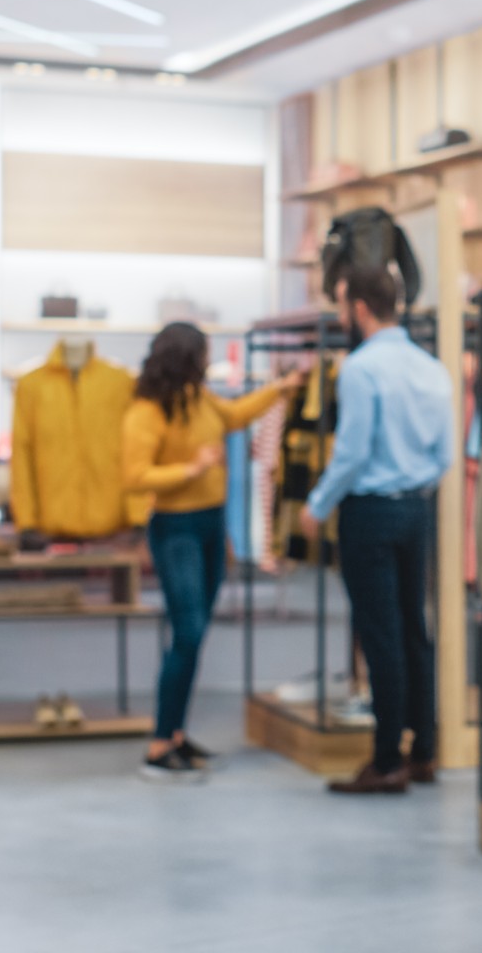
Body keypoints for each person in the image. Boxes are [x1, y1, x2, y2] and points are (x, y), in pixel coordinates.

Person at [300, 268, 455, 794]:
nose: (342, 317)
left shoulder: (360, 369)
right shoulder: (433, 369)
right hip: (417, 511)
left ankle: (387, 759)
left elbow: (352, 452)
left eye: (344, 306)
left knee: (380, 634)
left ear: (361, 308)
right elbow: (445, 457)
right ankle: (424, 753)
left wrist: (318, 505)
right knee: (414, 628)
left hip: (368, 511)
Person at [124, 323, 302, 778]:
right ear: (186, 357)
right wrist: (192, 468)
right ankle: (159, 745)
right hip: (176, 529)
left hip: (208, 525)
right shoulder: (146, 412)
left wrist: (278, 390)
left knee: (196, 633)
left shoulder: (198, 399)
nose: (207, 362)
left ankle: (176, 735)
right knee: (187, 631)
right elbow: (135, 476)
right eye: (201, 354)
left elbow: (237, 415)